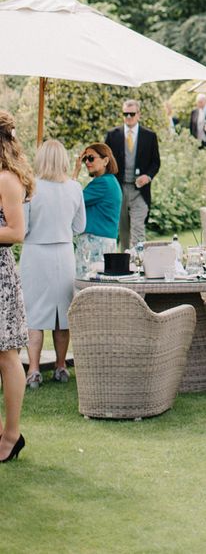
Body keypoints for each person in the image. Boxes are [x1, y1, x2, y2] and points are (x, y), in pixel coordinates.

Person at [21, 140, 85, 389]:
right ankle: (60, 366)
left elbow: (23, 228)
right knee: (62, 313)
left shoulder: (31, 188)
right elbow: (79, 227)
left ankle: (34, 370)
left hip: (36, 254)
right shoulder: (75, 187)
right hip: (64, 253)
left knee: (35, 313)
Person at [0, 110, 34, 462]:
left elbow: (16, 232)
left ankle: (11, 436)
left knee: (7, 356)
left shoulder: (8, 179)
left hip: (0, 276)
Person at [105, 99, 161, 250]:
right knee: (123, 231)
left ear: (139, 115)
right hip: (119, 189)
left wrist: (147, 176)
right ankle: (125, 263)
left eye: (132, 114)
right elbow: (106, 161)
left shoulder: (149, 136)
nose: (128, 117)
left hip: (140, 191)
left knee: (138, 230)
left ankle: (139, 262)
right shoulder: (112, 135)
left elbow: (156, 162)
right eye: (125, 114)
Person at [72, 142, 123, 273]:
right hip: (103, 242)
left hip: (95, 243)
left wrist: (75, 172)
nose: (87, 162)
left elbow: (72, 200)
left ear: (105, 160)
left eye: (91, 158)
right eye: (85, 159)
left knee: (85, 287)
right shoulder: (110, 181)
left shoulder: (103, 183)